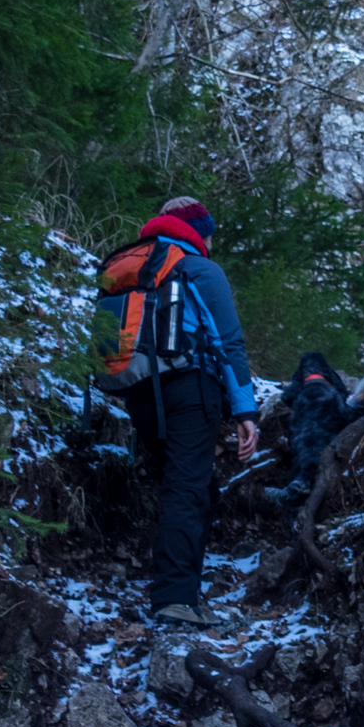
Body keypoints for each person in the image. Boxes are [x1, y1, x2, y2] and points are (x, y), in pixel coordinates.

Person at [120, 197, 258, 628]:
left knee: (192, 486)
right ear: (200, 230)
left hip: (139, 392)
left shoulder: (129, 265)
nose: (212, 241)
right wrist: (245, 411)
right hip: (189, 388)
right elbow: (228, 342)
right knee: (186, 489)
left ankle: (183, 582)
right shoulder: (199, 268)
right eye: (209, 233)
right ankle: (175, 598)